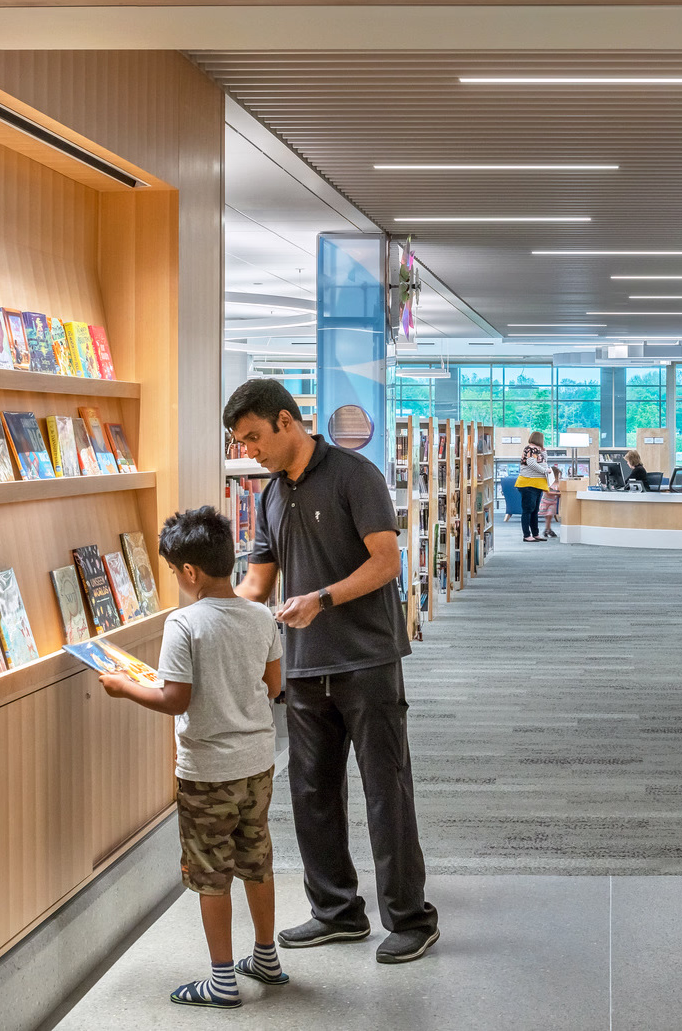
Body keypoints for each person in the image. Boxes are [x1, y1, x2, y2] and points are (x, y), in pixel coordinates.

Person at [223, 379, 439, 966]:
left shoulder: (353, 474)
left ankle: (411, 919)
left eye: (253, 438)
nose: (249, 451)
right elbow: (259, 582)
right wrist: (217, 615)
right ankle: (337, 912)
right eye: (240, 443)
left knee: (384, 791)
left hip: (366, 660)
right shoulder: (269, 495)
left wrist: (321, 597)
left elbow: (387, 561)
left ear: (287, 422)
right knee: (311, 793)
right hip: (303, 667)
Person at [98, 506, 285, 1009]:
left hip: (206, 771)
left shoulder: (184, 624)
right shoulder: (261, 614)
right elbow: (274, 685)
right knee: (256, 858)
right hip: (257, 763)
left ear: (189, 572)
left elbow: (174, 700)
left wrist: (123, 688)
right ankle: (266, 956)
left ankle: (222, 980)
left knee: (209, 871)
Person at [515, 430, 550, 542]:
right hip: (528, 484)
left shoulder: (536, 450)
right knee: (528, 510)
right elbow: (531, 463)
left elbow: (543, 461)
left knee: (534, 511)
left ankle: (535, 533)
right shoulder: (530, 448)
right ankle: (526, 535)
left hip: (536, 484)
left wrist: (544, 452)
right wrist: (545, 471)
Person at [540, 464, 563, 539]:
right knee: (547, 516)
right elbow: (547, 492)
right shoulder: (547, 482)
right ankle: (548, 529)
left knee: (549, 515)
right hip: (545, 501)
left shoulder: (558, 483)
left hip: (553, 502)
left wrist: (558, 494)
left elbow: (559, 493)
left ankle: (547, 529)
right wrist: (557, 493)